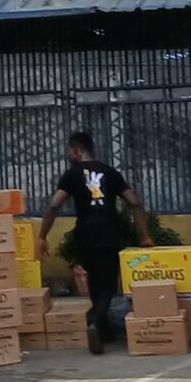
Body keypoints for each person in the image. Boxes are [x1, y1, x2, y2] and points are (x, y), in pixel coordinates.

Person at [35, 131, 153, 355]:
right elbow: (134, 202)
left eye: (68, 151)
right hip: (108, 232)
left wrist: (42, 236)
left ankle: (103, 331)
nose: (67, 155)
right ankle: (94, 320)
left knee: (96, 282)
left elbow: (54, 205)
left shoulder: (70, 175)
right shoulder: (111, 172)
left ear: (76, 151)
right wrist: (145, 235)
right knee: (108, 285)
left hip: (85, 234)